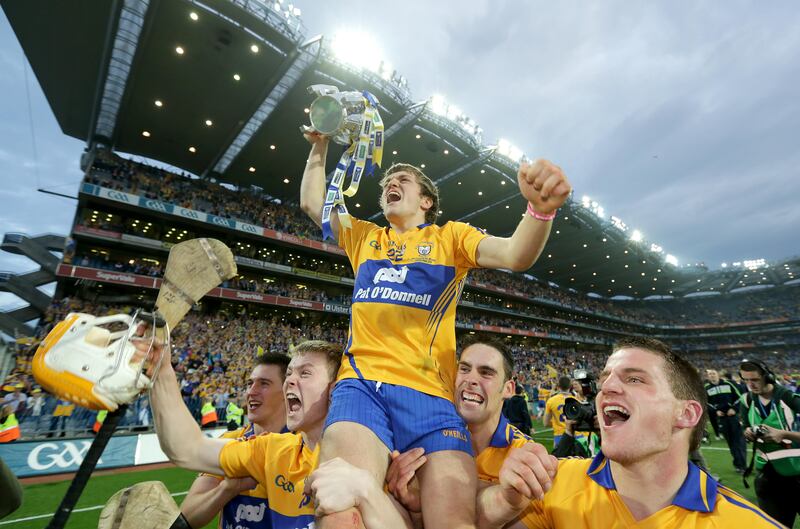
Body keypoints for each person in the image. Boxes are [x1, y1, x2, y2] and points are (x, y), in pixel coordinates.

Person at [300, 130, 571, 528]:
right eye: (387, 182)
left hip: (430, 397)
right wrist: (319, 145)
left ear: (426, 201)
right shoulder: (365, 238)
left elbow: (515, 254)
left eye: (403, 180)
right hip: (362, 386)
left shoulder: (450, 239)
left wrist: (540, 211)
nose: (391, 184)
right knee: (341, 511)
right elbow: (312, 202)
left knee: (453, 522)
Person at [470, 337, 784, 528]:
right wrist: (504, 500)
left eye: (634, 379)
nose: (607, 387)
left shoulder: (744, 523)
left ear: (685, 413)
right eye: (605, 378)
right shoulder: (555, 480)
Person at [150, 340, 410, 529]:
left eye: (305, 373)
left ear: (336, 391)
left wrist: (368, 490)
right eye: (289, 374)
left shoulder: (378, 459)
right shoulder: (271, 449)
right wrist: (161, 371)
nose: (290, 381)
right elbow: (187, 449)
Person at [316, 336, 557, 529]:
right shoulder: (410, 440)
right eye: (464, 369)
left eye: (486, 373)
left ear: (508, 389)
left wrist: (423, 500)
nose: (472, 379)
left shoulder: (522, 459)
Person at [179, 353, 290, 529]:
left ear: (287, 392)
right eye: (250, 383)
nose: (251, 392)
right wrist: (229, 489)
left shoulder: (303, 448)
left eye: (264, 384)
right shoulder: (229, 441)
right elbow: (187, 518)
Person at [739, 358, 800, 528]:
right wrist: (748, 433)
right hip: (767, 478)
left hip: (797, 472)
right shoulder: (746, 401)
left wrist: (784, 434)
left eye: (755, 379)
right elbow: (745, 427)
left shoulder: (789, 398)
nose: (750, 384)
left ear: (768, 377)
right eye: (746, 380)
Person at [705, 368, 747, 473]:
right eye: (709, 374)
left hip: (733, 417)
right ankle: (738, 464)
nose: (712, 375)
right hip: (722, 419)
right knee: (731, 443)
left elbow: (741, 397)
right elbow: (706, 403)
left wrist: (734, 409)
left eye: (713, 373)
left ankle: (742, 465)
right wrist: (715, 411)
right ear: (708, 377)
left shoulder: (729, 383)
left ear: (718, 374)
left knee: (739, 441)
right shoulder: (706, 388)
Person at [542, 376, 571, 448]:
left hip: (559, 434)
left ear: (558, 386)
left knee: (559, 458)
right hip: (575, 435)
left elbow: (545, 423)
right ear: (570, 386)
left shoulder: (551, 400)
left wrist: (556, 423)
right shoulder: (576, 399)